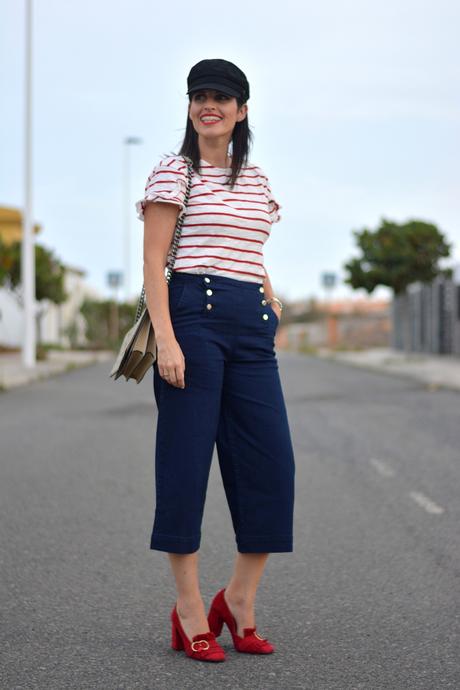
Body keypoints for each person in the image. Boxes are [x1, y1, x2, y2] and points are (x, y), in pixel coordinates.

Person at [136, 58, 296, 662]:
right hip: (193, 321)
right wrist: (168, 339)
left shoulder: (254, 179)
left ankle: (239, 601)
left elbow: (248, 246)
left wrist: (270, 296)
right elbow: (155, 261)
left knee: (271, 467)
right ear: (190, 107)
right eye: (201, 96)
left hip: (252, 328)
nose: (211, 105)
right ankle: (190, 610)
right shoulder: (172, 171)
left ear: (242, 110)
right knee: (185, 465)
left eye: (223, 98)